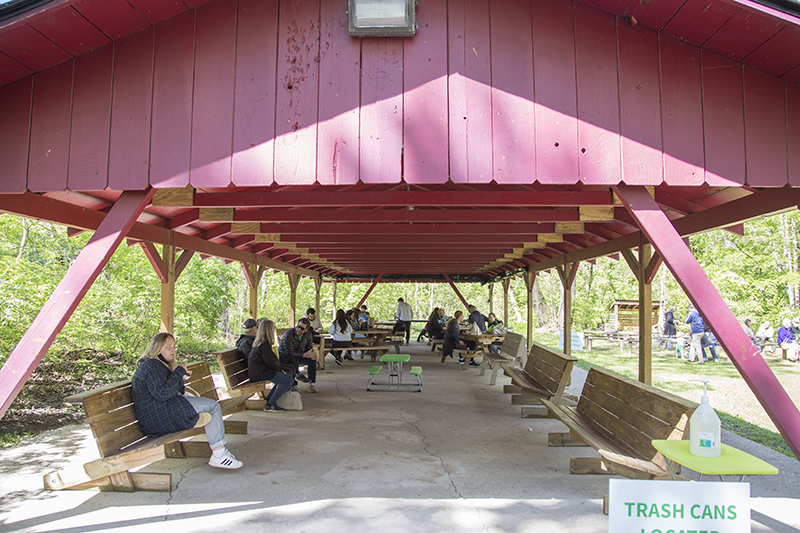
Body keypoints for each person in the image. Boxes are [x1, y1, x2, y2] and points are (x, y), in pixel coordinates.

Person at [132, 332, 243, 469]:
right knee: (212, 407)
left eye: (174, 346)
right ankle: (219, 455)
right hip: (157, 418)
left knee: (210, 407)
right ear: (157, 348)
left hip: (160, 414)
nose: (173, 350)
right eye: (168, 347)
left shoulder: (156, 365)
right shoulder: (151, 366)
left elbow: (174, 391)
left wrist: (180, 378)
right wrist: (178, 372)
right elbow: (163, 393)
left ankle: (219, 452)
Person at [249, 319, 294, 410]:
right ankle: (270, 404)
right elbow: (269, 361)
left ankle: (269, 399)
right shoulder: (264, 344)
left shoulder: (261, 342)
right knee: (288, 381)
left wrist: (279, 368)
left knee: (288, 376)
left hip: (260, 370)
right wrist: (278, 369)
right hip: (261, 372)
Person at [278, 317, 319, 392]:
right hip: (286, 356)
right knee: (293, 359)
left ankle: (312, 384)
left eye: (302, 328)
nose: (299, 329)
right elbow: (288, 352)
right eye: (298, 327)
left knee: (312, 360)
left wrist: (312, 354)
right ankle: (294, 383)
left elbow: (309, 348)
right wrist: (304, 355)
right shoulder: (288, 334)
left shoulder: (308, 335)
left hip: (299, 354)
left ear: (306, 330)